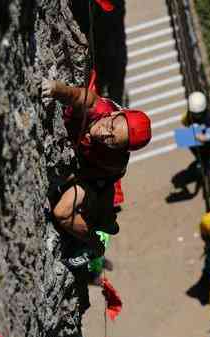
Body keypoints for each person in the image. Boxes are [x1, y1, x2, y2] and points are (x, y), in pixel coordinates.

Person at [41, 78, 151, 267]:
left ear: (120, 148)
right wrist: (55, 89)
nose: (104, 134)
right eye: (111, 127)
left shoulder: (113, 160)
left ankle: (95, 245)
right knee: (101, 214)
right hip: (90, 171)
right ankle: (106, 220)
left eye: (113, 140)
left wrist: (62, 178)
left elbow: (85, 175)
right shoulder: (99, 108)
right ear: (115, 113)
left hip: (95, 179)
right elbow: (76, 95)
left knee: (62, 213)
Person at [182, 91, 210, 171]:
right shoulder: (190, 114)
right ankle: (201, 159)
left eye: (198, 114)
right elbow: (185, 122)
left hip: (207, 140)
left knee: (206, 147)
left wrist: (199, 137)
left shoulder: (207, 117)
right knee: (185, 138)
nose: (196, 116)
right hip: (198, 134)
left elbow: (209, 136)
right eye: (194, 113)